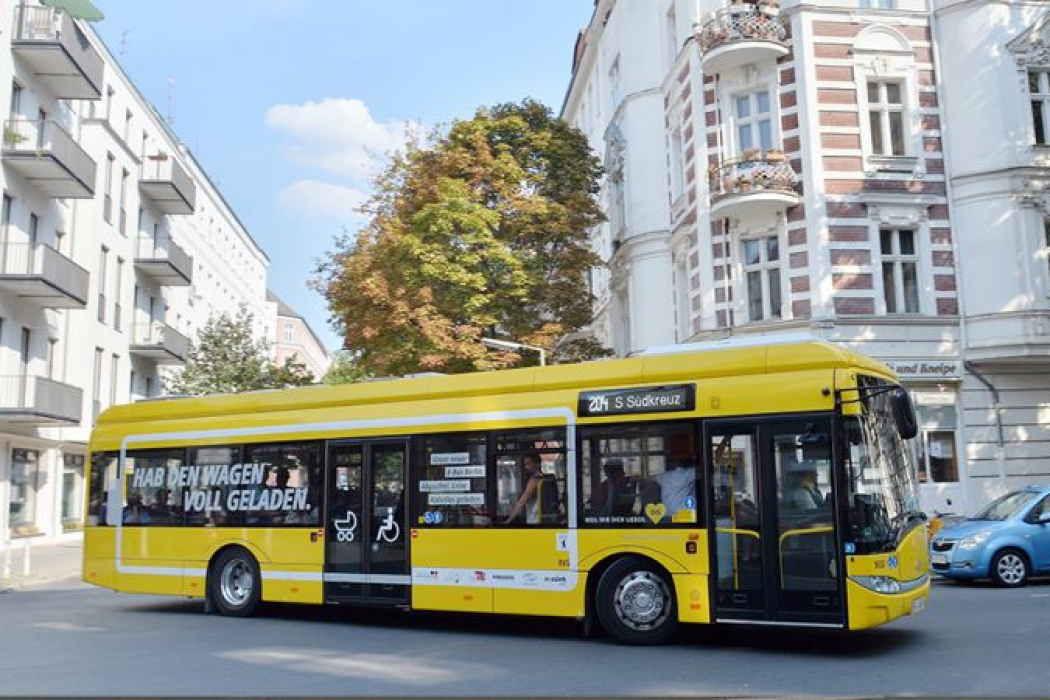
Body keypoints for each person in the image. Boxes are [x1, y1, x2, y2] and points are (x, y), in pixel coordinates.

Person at [505, 453, 547, 524]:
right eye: (525, 464)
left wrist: (508, 521)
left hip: (534, 521)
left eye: (528, 464)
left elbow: (522, 502)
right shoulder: (544, 478)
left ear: (537, 464)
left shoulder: (534, 480)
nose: (526, 467)